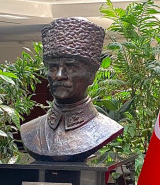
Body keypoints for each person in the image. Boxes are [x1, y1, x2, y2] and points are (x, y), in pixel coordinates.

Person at [20, 17, 123, 162]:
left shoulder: (106, 129)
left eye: (71, 67)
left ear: (91, 75)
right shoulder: (29, 130)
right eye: (53, 67)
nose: (59, 75)